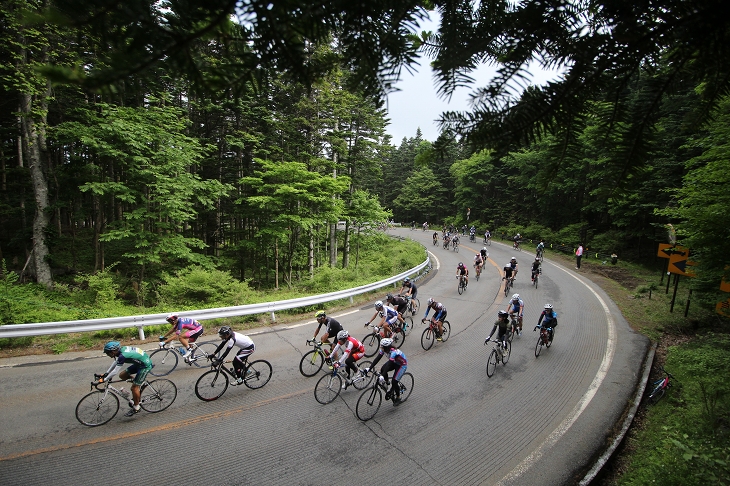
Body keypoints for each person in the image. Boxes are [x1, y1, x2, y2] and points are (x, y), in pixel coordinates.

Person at [100, 341, 153, 417]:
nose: (107, 355)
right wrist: (106, 373)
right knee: (122, 375)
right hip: (139, 364)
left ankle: (136, 407)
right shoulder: (120, 351)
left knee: (134, 388)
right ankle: (138, 384)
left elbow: (115, 371)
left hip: (145, 366)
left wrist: (105, 379)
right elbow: (115, 362)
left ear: (112, 352)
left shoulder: (122, 355)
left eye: (108, 353)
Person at [366, 338, 408, 406]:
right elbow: (377, 358)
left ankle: (398, 397)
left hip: (402, 365)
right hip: (394, 362)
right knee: (382, 369)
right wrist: (369, 368)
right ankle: (387, 382)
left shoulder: (393, 352)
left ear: (386, 347)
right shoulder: (384, 350)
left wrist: (382, 375)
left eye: (381, 346)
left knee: (394, 382)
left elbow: (389, 365)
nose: (380, 347)